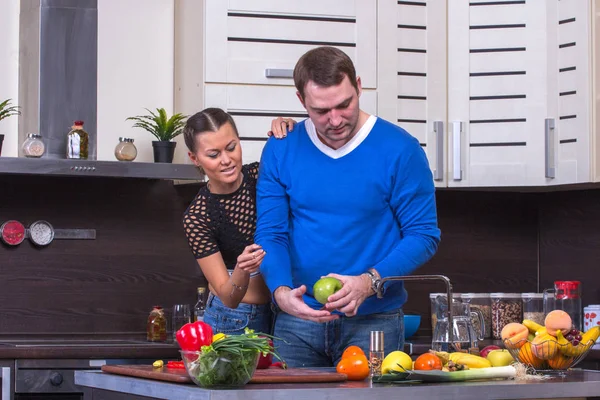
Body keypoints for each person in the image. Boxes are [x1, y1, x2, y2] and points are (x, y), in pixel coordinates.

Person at [254, 46, 441, 367]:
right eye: (321, 111)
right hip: (297, 324)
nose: (336, 119)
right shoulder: (281, 147)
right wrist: (281, 292)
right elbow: (271, 233)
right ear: (301, 101)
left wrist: (370, 282)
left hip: (375, 323)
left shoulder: (400, 149)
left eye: (345, 104)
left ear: (358, 85)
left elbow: (424, 235)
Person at [182, 108, 288, 335]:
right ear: (195, 158)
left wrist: (291, 128)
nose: (226, 160)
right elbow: (228, 297)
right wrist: (241, 269)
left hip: (286, 311)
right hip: (234, 319)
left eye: (231, 147)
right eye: (213, 154)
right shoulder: (197, 217)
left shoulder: (263, 174)